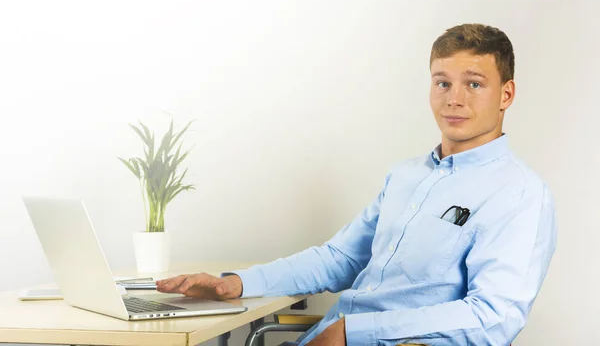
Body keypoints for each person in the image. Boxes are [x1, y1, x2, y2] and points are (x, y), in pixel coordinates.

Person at [156, 23, 557, 346]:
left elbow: (494, 317)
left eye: (473, 84)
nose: (454, 99)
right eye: (442, 82)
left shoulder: (520, 194)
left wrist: (353, 332)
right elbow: (340, 259)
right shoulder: (406, 176)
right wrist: (234, 284)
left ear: (506, 94)